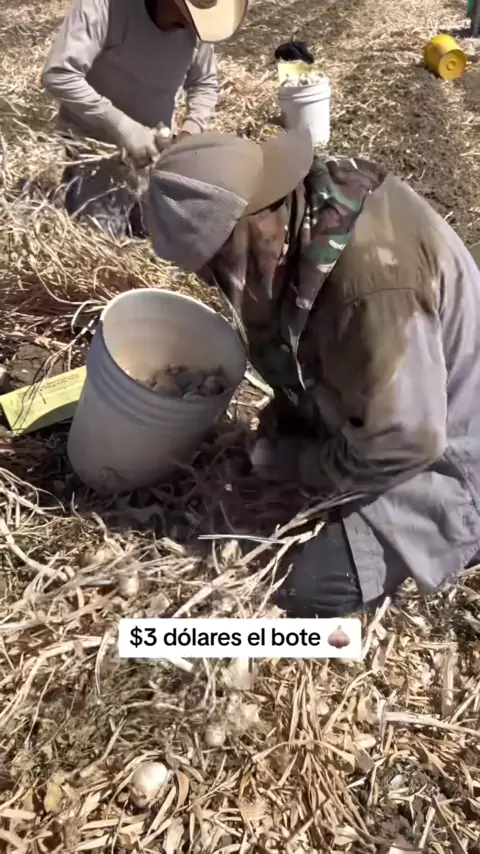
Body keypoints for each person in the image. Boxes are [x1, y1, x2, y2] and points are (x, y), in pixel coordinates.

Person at [139, 127, 480, 618]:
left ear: (250, 229)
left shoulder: (369, 283)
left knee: (307, 589)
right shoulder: (309, 210)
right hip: (412, 397)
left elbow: (408, 440)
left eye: (215, 266)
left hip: (455, 450)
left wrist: (301, 464)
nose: (213, 281)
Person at [41, 0, 247, 237]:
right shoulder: (107, 7)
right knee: (102, 238)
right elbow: (60, 74)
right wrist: (121, 126)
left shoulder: (197, 26)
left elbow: (204, 82)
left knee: (161, 236)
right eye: (187, 13)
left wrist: (190, 132)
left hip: (155, 152)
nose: (191, 24)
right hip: (98, 152)